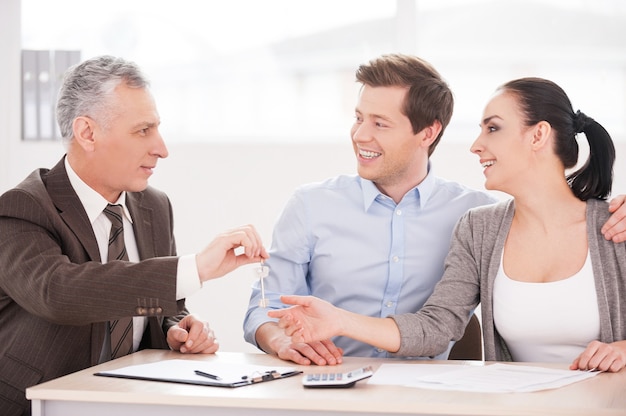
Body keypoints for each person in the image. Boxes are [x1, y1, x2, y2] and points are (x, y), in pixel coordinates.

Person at [243, 53, 626, 366]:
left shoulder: (609, 227)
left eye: (493, 129)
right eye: (359, 118)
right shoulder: (482, 228)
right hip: (329, 387)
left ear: (428, 132)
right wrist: (306, 332)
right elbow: (437, 324)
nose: (475, 145)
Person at [0, 55, 268, 416]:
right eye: (143, 130)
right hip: (37, 405)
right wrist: (194, 269)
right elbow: (59, 293)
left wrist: (177, 328)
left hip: (132, 403)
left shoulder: (153, 206)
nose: (162, 148)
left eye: (157, 128)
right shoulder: (22, 208)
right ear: (87, 133)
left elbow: (152, 304)